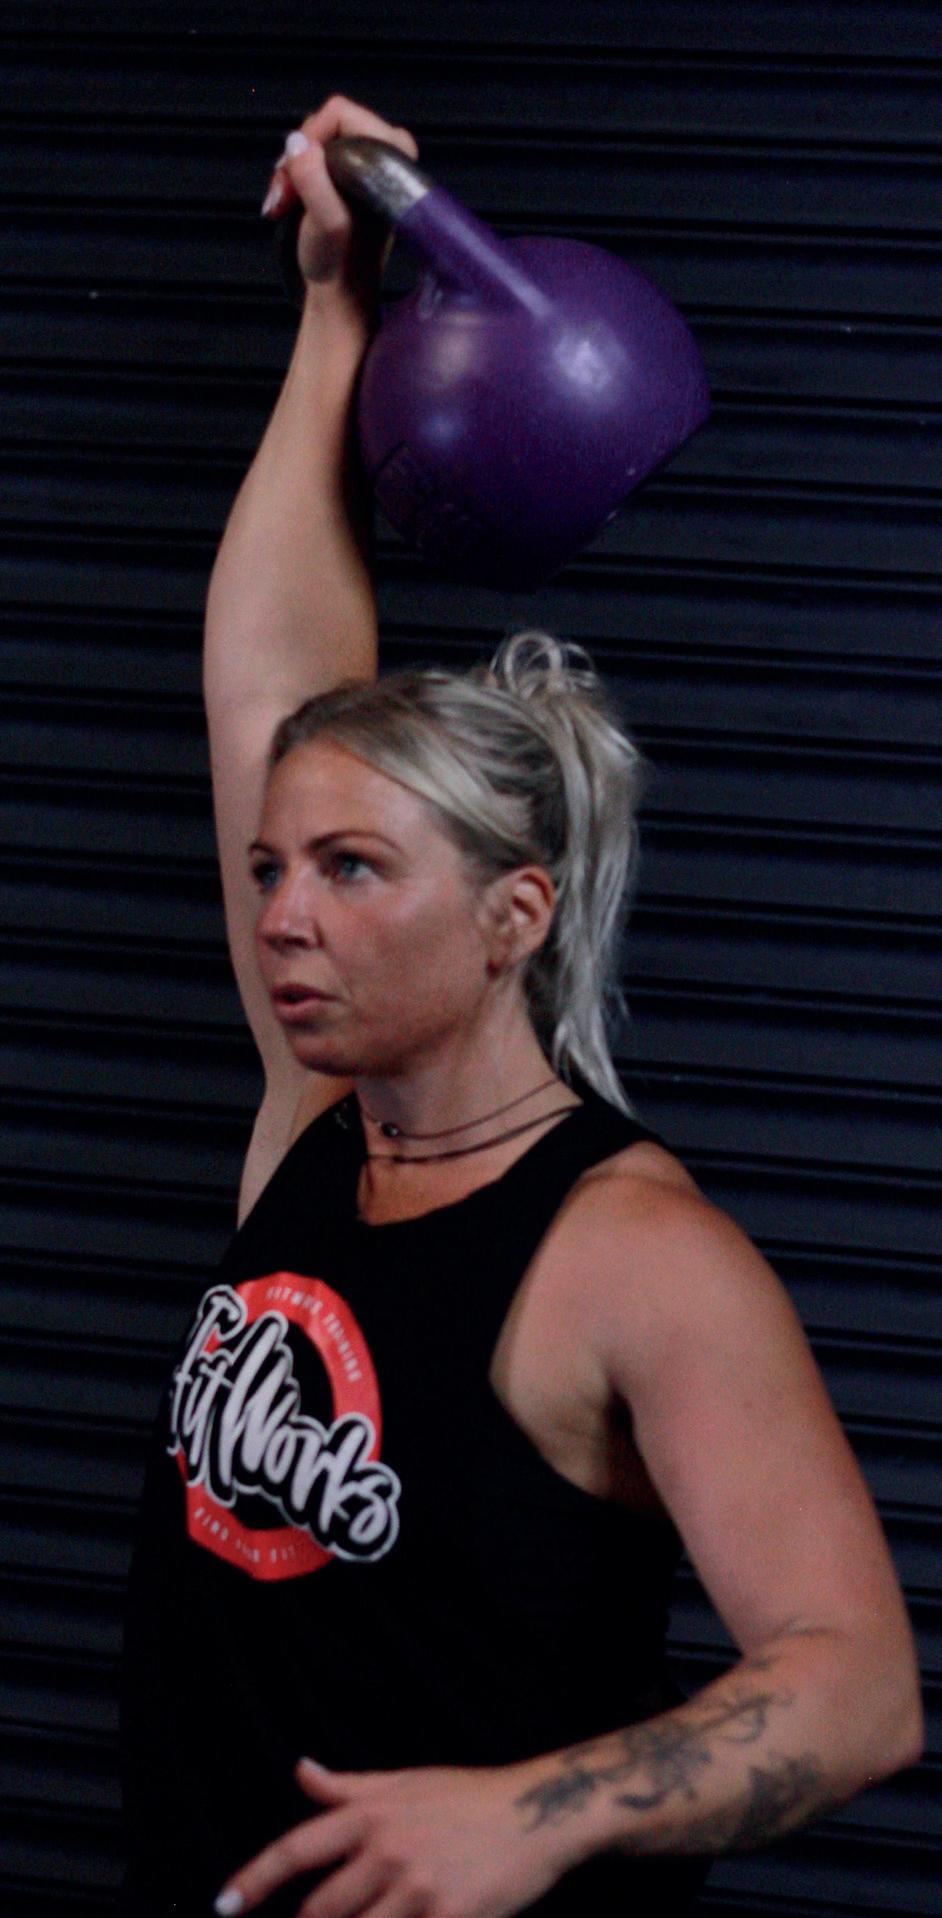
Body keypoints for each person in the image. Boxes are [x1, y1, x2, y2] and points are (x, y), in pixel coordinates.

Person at [120, 97, 923, 1918]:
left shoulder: (631, 1253)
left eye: (351, 870)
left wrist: (533, 1815)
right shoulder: (317, 1127)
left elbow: (856, 1683)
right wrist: (336, 301)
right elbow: (267, 678)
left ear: (514, 914)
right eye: (270, 867)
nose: (281, 917)